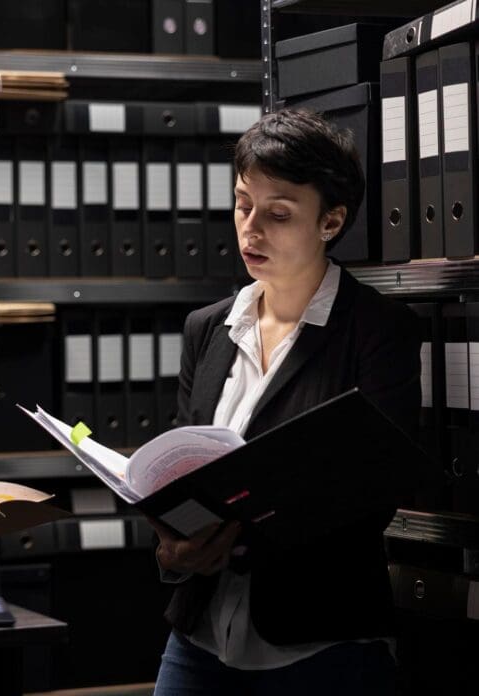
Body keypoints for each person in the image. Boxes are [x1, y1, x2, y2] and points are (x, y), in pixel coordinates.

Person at [150, 109, 420, 695]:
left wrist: (244, 532)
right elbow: (183, 468)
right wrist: (177, 548)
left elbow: (378, 490)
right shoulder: (207, 328)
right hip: (198, 638)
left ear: (331, 221)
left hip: (317, 644)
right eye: (243, 204)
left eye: (277, 214)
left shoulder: (377, 331)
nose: (251, 230)